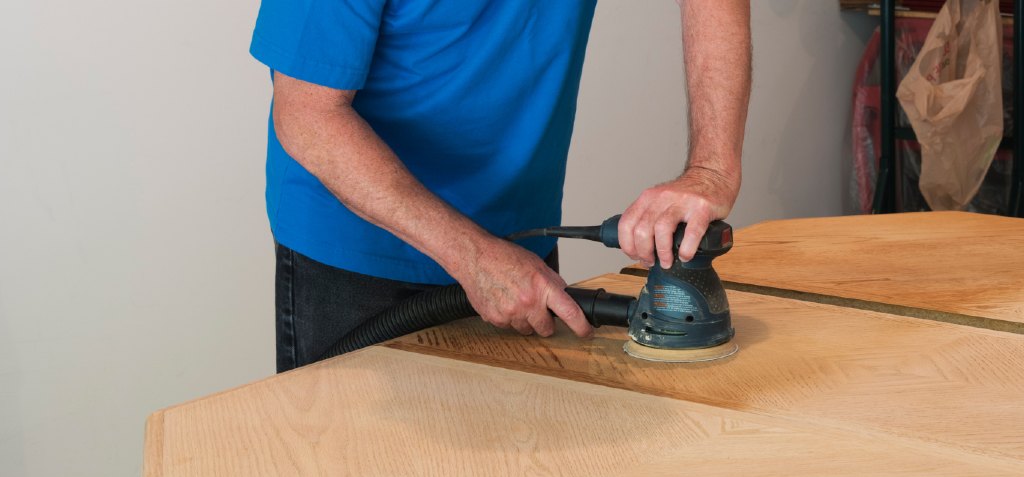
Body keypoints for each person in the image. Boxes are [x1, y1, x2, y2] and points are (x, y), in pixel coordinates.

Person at [250, 0, 751, 372]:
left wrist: (711, 171)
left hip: (519, 245)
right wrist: (471, 256)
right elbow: (307, 115)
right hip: (360, 249)